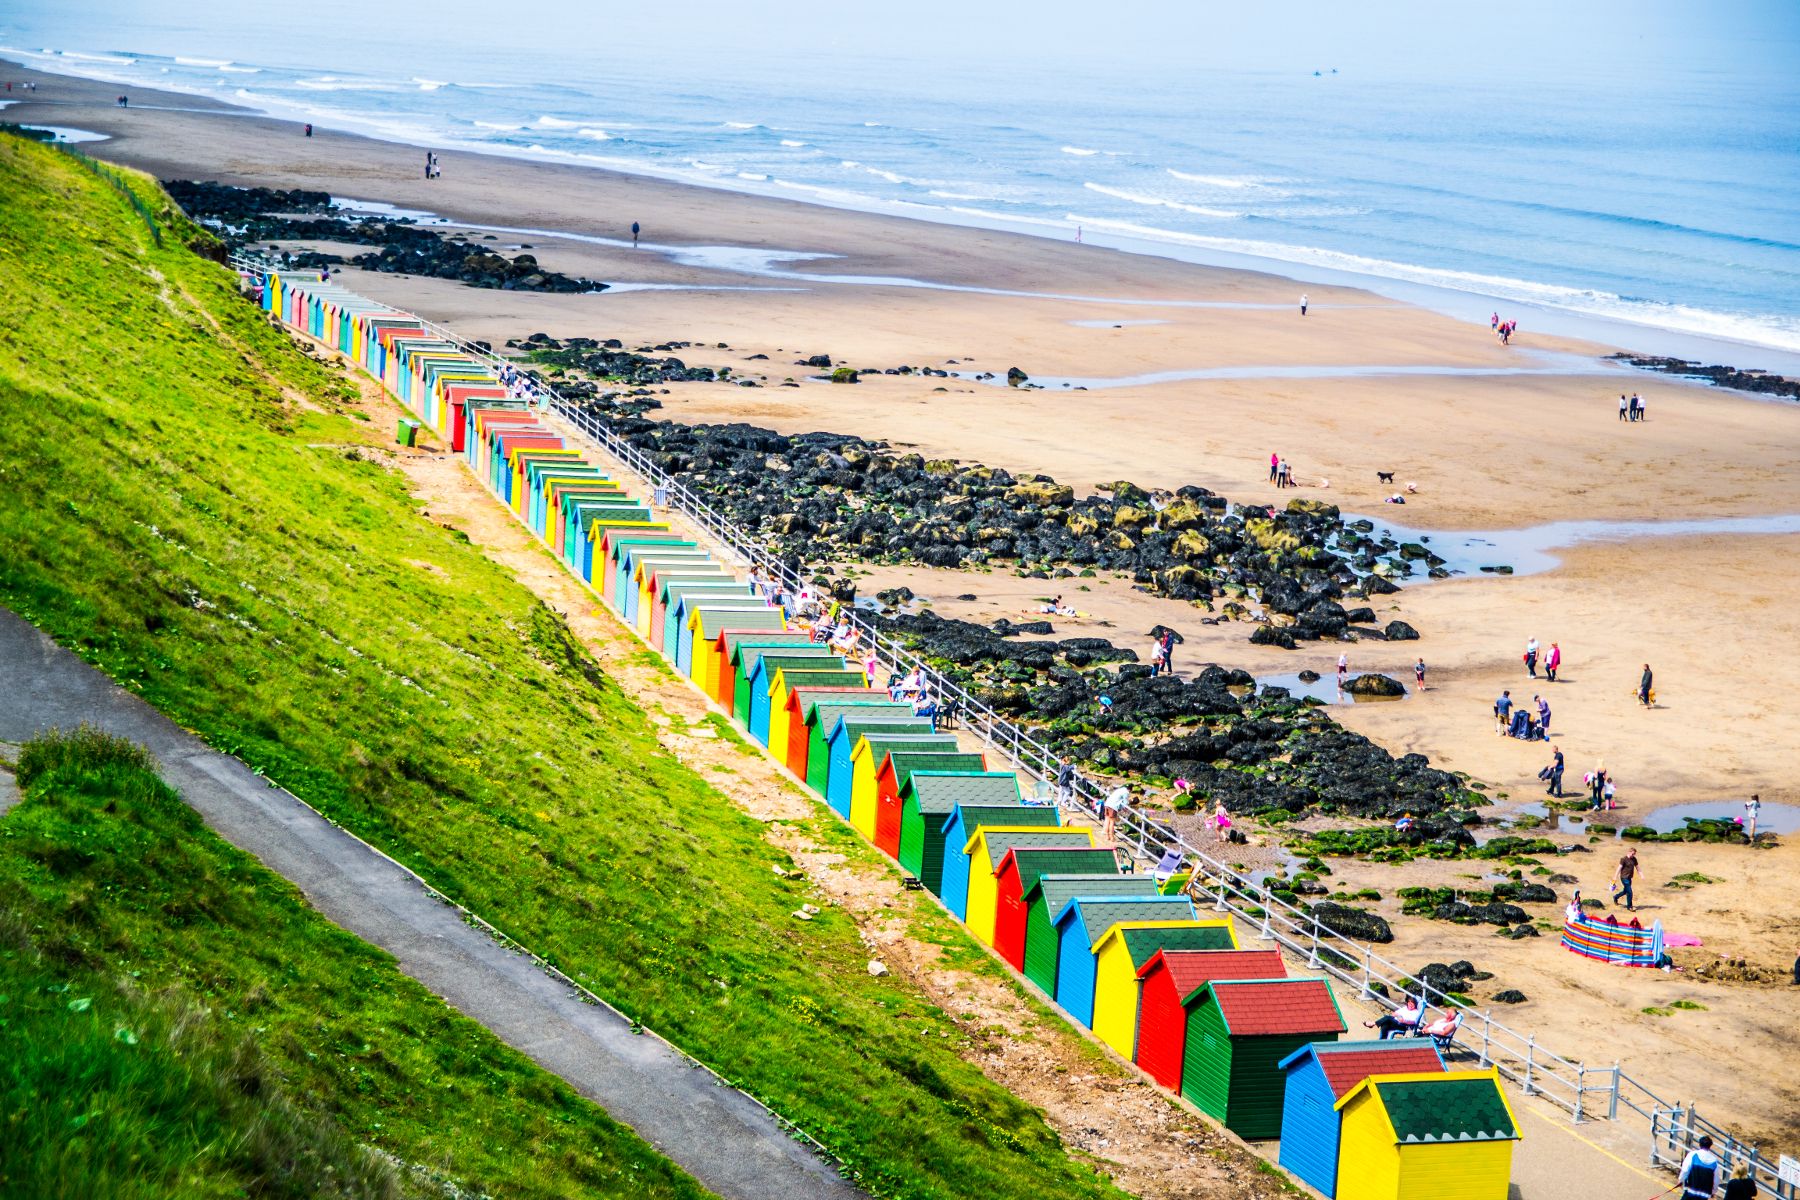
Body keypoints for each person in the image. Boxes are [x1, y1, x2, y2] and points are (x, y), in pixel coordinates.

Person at [1678, 1135, 1721, 1199]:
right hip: (1704, 1195)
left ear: (1700, 1144)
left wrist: (1680, 1180)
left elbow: (1685, 1170)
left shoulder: (1692, 1155)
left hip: (1690, 1192)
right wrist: (1713, 1191)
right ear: (1710, 1146)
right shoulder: (1714, 1161)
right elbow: (1716, 1180)